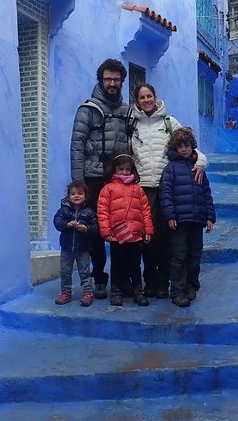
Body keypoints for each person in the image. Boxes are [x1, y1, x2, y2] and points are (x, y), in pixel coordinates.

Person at [130, 83, 208, 299]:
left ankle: (164, 282)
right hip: (144, 188)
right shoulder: (132, 125)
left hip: (168, 187)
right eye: (142, 97)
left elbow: (191, 147)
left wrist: (200, 163)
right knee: (148, 238)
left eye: (149, 96)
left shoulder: (169, 122)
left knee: (167, 238)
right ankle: (150, 281)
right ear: (136, 101)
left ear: (155, 97)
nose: (146, 100)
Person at [69, 58, 134, 298]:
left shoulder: (128, 111)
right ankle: (99, 278)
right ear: (100, 80)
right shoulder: (88, 110)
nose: (112, 83)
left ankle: (123, 278)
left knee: (123, 229)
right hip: (94, 177)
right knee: (95, 231)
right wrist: (79, 182)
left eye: (116, 79)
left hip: (119, 179)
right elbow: (77, 145)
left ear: (122, 81)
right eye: (108, 79)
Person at [159, 127, 216, 308]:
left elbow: (206, 193)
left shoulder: (198, 169)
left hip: (197, 219)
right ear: (175, 149)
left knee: (195, 253)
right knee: (178, 255)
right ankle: (177, 291)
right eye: (180, 146)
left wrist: (209, 216)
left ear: (193, 146)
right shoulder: (170, 169)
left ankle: (192, 285)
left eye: (187, 145)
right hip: (179, 221)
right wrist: (170, 215)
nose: (184, 149)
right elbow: (165, 194)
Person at [96, 154, 153, 307]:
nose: (125, 172)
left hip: (135, 236)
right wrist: (106, 232)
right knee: (117, 265)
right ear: (115, 169)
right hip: (117, 236)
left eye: (128, 169)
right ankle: (116, 292)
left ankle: (138, 291)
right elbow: (102, 212)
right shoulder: (107, 189)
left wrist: (147, 231)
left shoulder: (137, 189)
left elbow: (145, 211)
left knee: (135, 265)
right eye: (121, 169)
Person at [52, 182, 99, 307]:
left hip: (83, 248)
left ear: (85, 196)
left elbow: (96, 228)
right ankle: (66, 293)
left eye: (79, 193)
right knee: (65, 271)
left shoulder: (89, 212)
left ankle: (88, 293)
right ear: (68, 196)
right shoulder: (63, 210)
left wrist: (86, 228)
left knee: (85, 272)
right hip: (66, 248)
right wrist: (67, 225)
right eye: (73, 194)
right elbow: (57, 222)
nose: (76, 196)